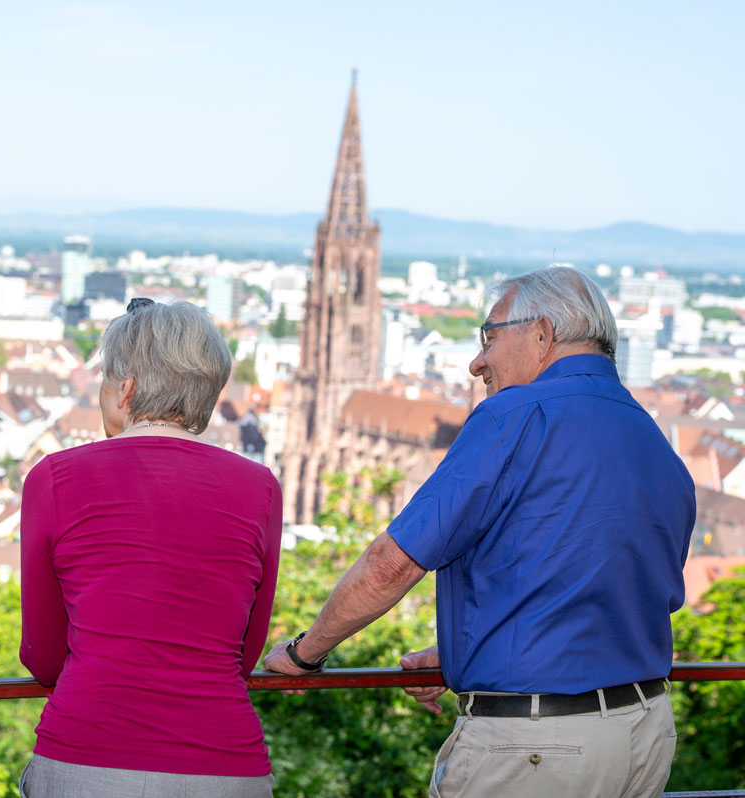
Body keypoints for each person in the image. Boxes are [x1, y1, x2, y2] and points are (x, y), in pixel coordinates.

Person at [263, 267, 695, 797]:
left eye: (489, 338)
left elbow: (391, 564)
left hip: (539, 746)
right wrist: (465, 649)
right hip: (644, 733)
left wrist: (306, 652)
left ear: (542, 334)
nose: (477, 363)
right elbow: (615, 582)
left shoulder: (511, 417)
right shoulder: (653, 436)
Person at [19, 299, 282, 797]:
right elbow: (244, 654)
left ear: (127, 388)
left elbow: (44, 656)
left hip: (86, 753)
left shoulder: (53, 478)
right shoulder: (260, 487)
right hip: (225, 763)